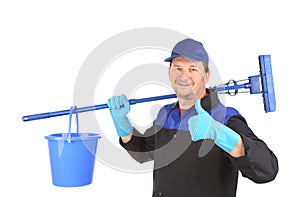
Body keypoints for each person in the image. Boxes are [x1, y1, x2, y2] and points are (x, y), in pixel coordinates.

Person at [107, 38, 278, 197]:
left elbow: (268, 170)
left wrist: (218, 133)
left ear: (206, 76)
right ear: (169, 73)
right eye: (178, 68)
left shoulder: (225, 118)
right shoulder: (165, 114)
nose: (183, 76)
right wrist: (122, 123)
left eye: (193, 69)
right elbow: (143, 153)